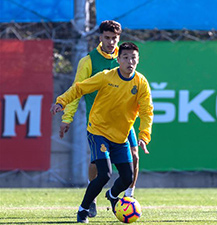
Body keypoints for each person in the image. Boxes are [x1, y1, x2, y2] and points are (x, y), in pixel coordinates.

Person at [51, 42, 153, 223]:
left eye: (133, 58)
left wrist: (144, 135)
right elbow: (79, 88)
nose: (130, 62)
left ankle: (113, 195)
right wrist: (62, 101)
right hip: (98, 131)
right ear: (118, 59)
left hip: (120, 136)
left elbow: (146, 111)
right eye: (126, 57)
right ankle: (83, 210)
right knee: (104, 174)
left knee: (127, 177)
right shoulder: (106, 77)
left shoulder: (141, 83)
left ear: (138, 61)